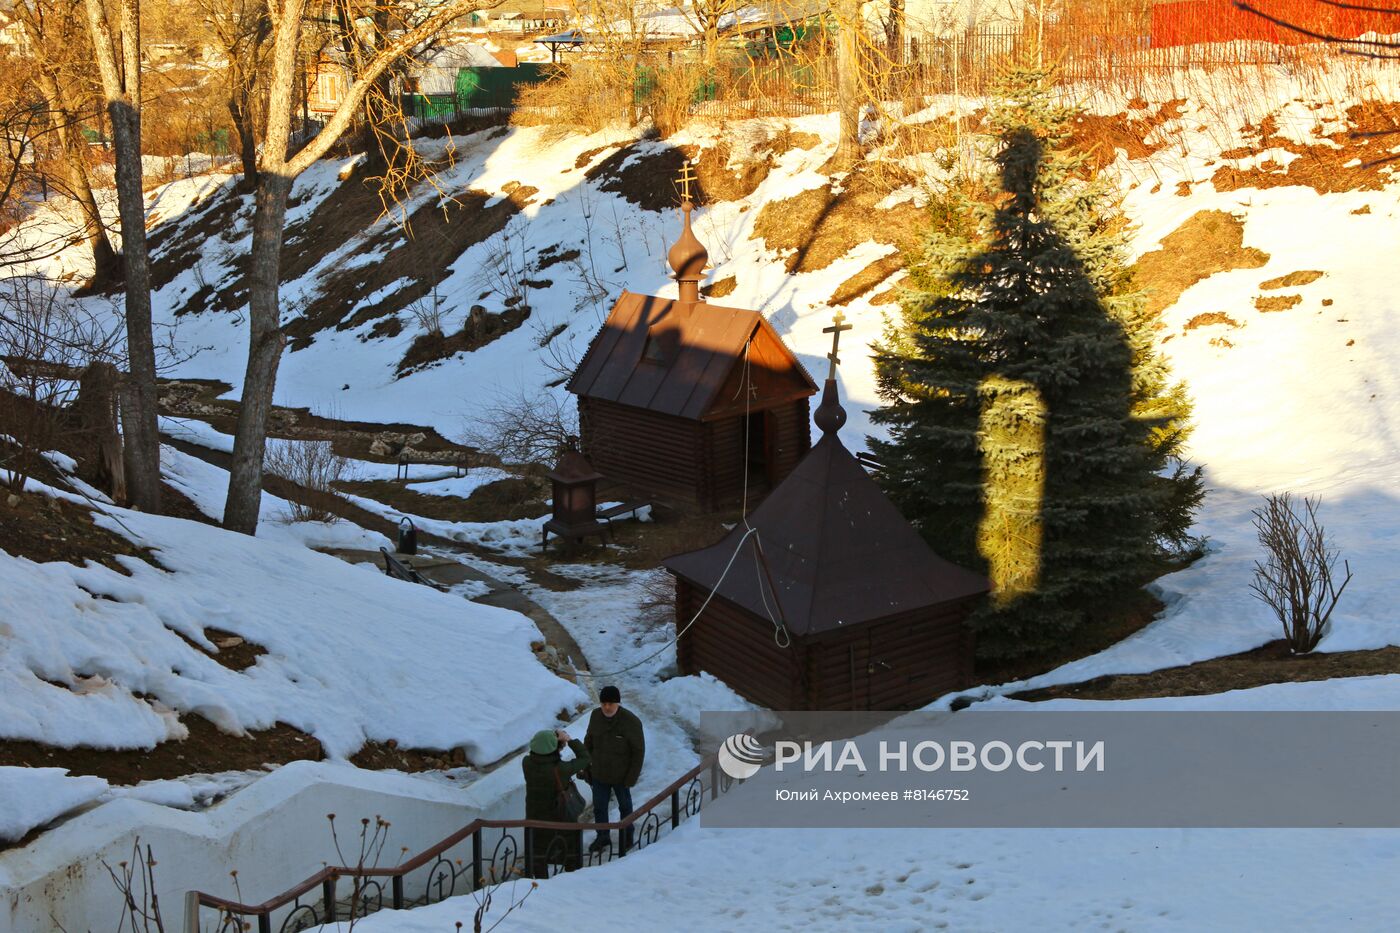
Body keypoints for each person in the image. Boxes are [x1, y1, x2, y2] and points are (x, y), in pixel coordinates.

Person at [521, 727, 590, 879]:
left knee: (538, 853)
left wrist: (550, 742)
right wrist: (569, 740)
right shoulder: (561, 769)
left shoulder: (527, 763)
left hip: (535, 818)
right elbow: (585, 758)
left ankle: (540, 883)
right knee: (569, 849)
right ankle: (572, 877)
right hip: (560, 817)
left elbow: (539, 753)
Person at [583, 685, 645, 853]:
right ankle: (602, 837)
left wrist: (631, 778)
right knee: (599, 807)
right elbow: (588, 741)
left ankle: (627, 836)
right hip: (599, 774)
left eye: (611, 703)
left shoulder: (631, 722)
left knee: (625, 807)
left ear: (618, 703)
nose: (607, 707)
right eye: (604, 703)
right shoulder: (595, 716)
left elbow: (638, 752)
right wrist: (588, 764)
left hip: (621, 775)